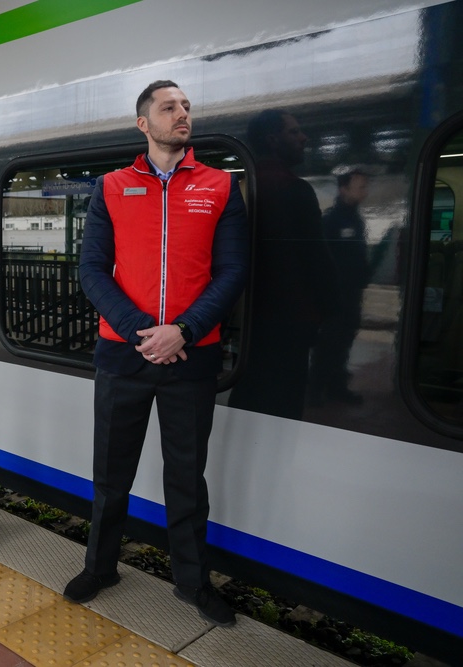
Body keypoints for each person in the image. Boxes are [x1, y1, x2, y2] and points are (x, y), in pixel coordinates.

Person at [63, 81, 249, 627]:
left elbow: (233, 271)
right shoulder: (112, 187)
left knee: (187, 478)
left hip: (192, 359)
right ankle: (101, 566)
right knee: (110, 472)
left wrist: (184, 332)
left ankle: (192, 583)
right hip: (124, 356)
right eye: (169, 107)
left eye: (186, 106)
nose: (182, 113)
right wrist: (146, 331)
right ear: (143, 123)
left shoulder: (219, 186)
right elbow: (92, 271)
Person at [227, 109, 337, 420]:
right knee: (283, 401)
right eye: (294, 132)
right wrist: (332, 310)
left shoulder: (241, 187)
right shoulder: (294, 189)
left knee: (249, 390)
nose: (304, 138)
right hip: (289, 321)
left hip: (250, 317)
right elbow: (317, 260)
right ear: (272, 139)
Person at [310, 168, 371, 405]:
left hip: (351, 294)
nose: (365, 192)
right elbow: (322, 260)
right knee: (328, 343)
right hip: (333, 295)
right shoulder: (331, 221)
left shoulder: (355, 219)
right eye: (361, 187)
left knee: (345, 341)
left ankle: (336, 386)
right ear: (344, 189)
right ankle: (315, 390)